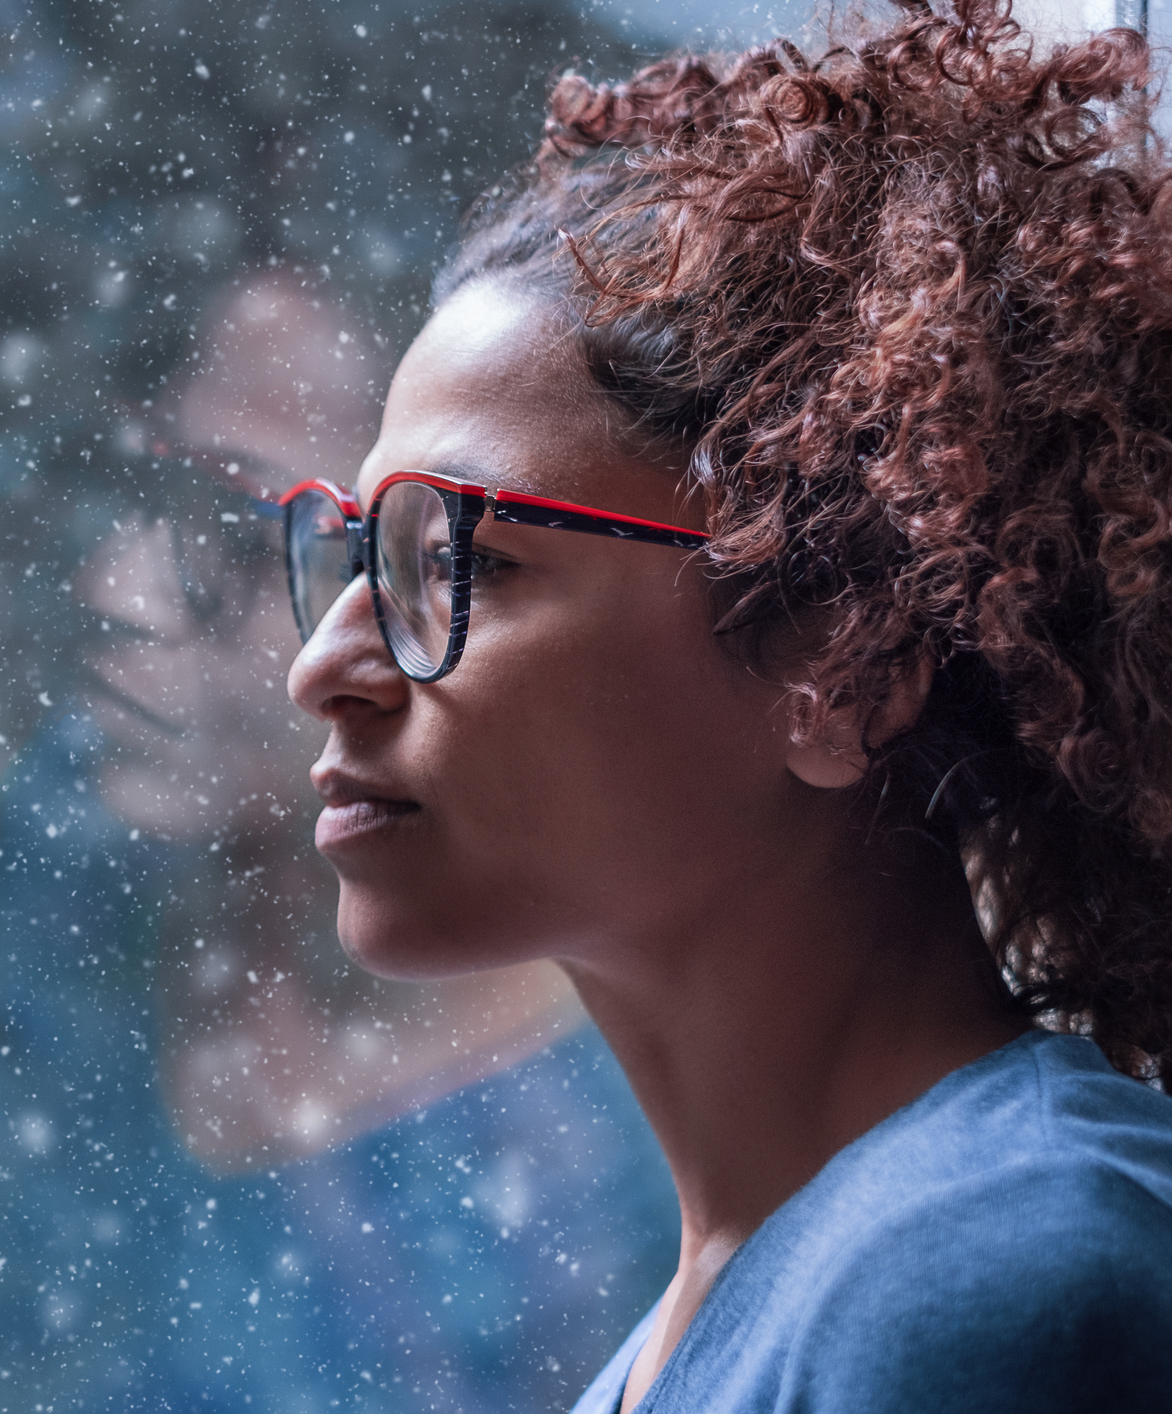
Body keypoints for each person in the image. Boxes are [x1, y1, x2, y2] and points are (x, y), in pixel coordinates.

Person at [277, 3, 1172, 1411]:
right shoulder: (708, 1327)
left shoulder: (991, 1278)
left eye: (455, 561)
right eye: (354, 555)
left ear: (845, 666)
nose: (321, 664)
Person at [0, 275, 679, 1412]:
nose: (119, 588)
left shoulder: (598, 1131)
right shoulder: (79, 849)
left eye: (243, 544)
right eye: (140, 499)